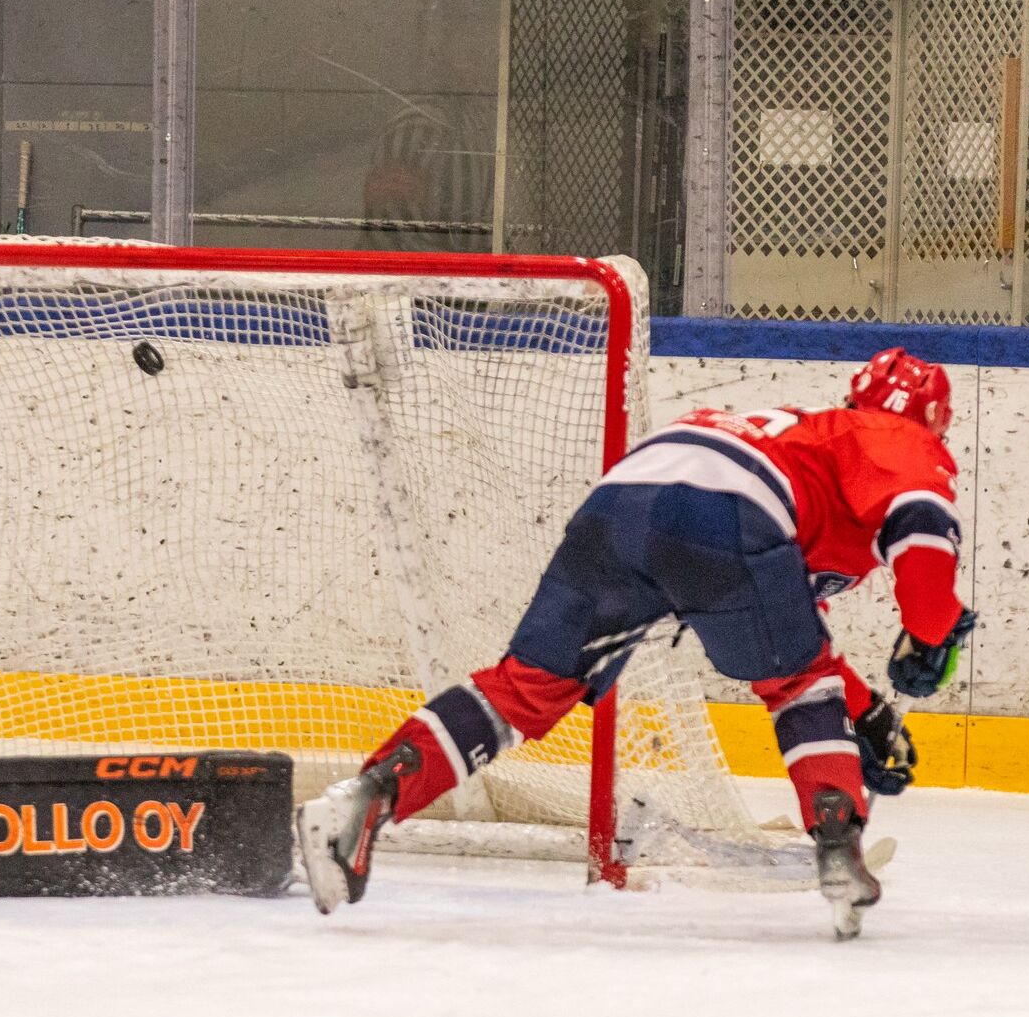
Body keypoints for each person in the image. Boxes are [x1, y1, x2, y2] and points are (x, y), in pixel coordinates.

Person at [296, 348, 976, 938]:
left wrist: (866, 709)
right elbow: (917, 568)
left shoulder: (809, 436)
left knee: (526, 685)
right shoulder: (901, 439)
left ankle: (363, 798)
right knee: (801, 690)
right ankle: (837, 845)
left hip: (626, 496)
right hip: (731, 506)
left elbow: (790, 628)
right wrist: (933, 635)